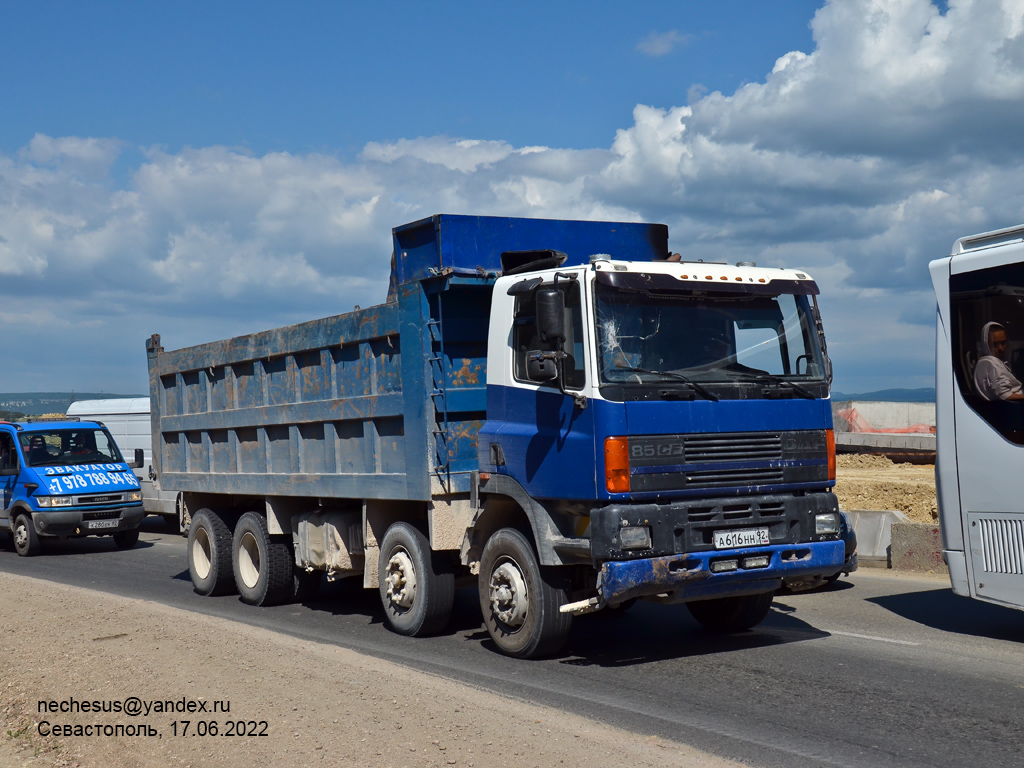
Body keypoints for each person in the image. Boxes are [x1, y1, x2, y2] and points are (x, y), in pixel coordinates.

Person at [974, 321, 1024, 401]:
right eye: (995, 344)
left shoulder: (990, 362)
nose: (1000, 348)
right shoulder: (991, 363)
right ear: (986, 343)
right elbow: (1004, 395)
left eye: (1003, 343)